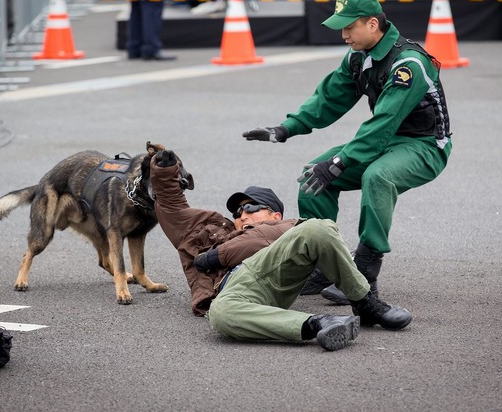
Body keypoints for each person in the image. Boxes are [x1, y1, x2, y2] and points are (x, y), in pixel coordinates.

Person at [242, 0, 451, 309]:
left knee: (378, 177)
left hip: (424, 145)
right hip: (386, 140)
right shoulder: (358, 57)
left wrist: (341, 161)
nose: (343, 34)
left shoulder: (409, 63)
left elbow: (384, 120)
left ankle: (366, 273)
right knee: (313, 178)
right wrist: (284, 129)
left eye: (349, 27)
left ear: (372, 24)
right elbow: (328, 100)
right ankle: (326, 265)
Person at [149, 149, 412, 351]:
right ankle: (318, 323)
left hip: (275, 271)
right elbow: (173, 208)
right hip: (233, 288)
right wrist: (165, 169)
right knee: (220, 315)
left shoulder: (286, 227)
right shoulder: (213, 230)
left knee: (320, 228)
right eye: (237, 212)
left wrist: (220, 255)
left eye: (251, 207)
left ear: (275, 215)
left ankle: (365, 303)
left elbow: (277, 237)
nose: (242, 215)